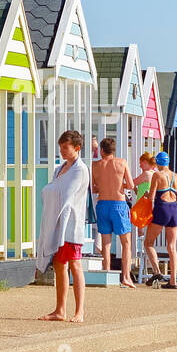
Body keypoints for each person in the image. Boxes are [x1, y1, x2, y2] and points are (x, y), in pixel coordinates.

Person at [37, 130, 90, 322]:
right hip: (58, 225)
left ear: (77, 148)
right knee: (59, 265)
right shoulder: (59, 169)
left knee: (75, 265)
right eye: (60, 148)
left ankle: (80, 312)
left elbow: (65, 193)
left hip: (72, 224)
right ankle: (60, 310)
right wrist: (49, 191)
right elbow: (53, 190)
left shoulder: (81, 170)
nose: (62, 151)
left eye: (65, 148)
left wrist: (48, 190)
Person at [92, 137, 136, 288]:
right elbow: (130, 185)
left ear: (102, 150)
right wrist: (119, 184)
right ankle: (125, 276)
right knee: (126, 243)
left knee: (106, 243)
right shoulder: (121, 162)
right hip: (119, 203)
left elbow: (93, 188)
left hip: (102, 204)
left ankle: (106, 272)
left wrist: (104, 186)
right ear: (113, 150)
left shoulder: (95, 165)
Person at [143, 151, 177, 289]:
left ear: (158, 163)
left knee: (148, 243)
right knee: (172, 246)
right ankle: (173, 281)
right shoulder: (176, 176)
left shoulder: (157, 175)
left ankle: (157, 271)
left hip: (162, 209)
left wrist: (146, 194)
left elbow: (151, 197)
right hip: (174, 209)